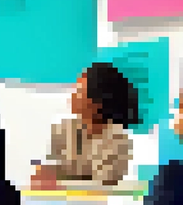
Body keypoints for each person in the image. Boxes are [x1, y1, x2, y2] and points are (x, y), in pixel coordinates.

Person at [32, 62, 138, 190]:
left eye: (78, 90)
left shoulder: (118, 141)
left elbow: (102, 187)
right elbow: (51, 170)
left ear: (97, 102)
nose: (72, 95)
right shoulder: (63, 130)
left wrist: (59, 183)